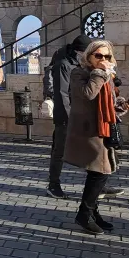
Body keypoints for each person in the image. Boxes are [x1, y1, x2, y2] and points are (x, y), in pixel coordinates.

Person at [64, 40, 129, 235]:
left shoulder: (106, 75)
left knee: (101, 172)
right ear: (89, 56)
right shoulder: (79, 73)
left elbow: (108, 102)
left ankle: (91, 212)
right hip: (88, 131)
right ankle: (85, 214)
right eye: (99, 56)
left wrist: (121, 105)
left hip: (103, 128)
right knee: (100, 172)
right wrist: (100, 73)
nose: (103, 60)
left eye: (107, 56)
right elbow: (88, 94)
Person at [47, 35, 91, 199]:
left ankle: (97, 183)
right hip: (67, 116)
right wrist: (69, 117)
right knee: (60, 151)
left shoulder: (81, 63)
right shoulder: (64, 65)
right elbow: (62, 93)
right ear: (79, 51)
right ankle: (53, 184)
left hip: (82, 113)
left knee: (92, 149)